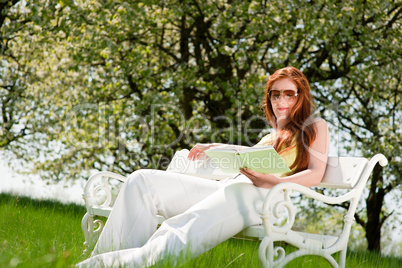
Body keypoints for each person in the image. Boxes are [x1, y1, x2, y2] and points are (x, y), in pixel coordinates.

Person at [77, 66, 329, 267]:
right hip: (236, 185)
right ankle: (102, 260)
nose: (280, 99)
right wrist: (213, 147)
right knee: (141, 181)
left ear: (301, 96)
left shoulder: (316, 126)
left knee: (184, 225)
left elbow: (316, 174)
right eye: (275, 94)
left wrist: (273, 182)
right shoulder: (273, 134)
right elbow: (248, 155)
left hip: (268, 197)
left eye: (289, 93)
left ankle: (107, 266)